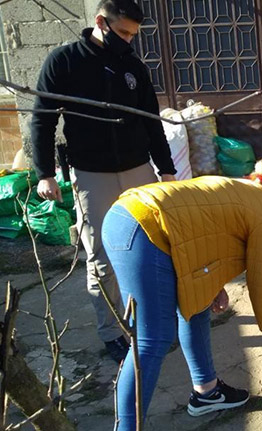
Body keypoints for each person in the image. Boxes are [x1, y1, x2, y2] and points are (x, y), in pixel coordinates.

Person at [101, 159, 262, 430]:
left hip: (124, 217)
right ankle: (126, 427)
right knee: (152, 340)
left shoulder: (244, 189)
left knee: (196, 304)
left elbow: (204, 234)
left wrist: (215, 285)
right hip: (144, 229)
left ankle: (207, 392)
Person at [30, 0, 176, 363]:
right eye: (123, 32)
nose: (128, 41)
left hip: (139, 171)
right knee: (102, 256)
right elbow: (42, 120)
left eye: (133, 35)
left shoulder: (133, 67)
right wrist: (45, 173)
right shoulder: (63, 62)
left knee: (151, 246)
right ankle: (113, 333)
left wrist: (166, 168)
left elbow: (150, 120)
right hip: (92, 175)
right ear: (101, 22)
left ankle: (149, 320)